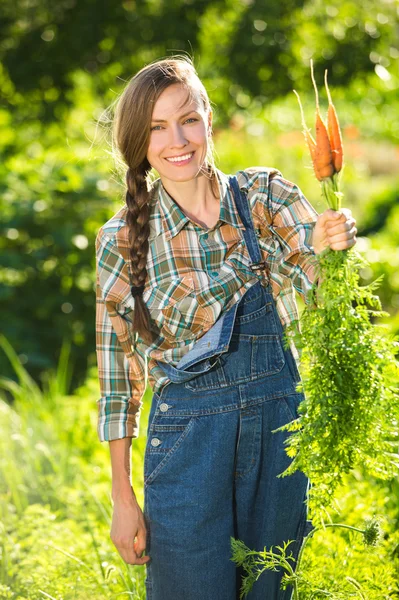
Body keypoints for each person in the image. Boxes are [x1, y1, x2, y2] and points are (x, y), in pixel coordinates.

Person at [95, 55, 357, 600]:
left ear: (209, 118)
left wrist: (332, 246)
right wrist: (123, 499)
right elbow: (119, 382)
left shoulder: (264, 197)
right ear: (140, 141)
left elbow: (323, 293)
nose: (177, 141)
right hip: (188, 449)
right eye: (157, 127)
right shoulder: (121, 239)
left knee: (271, 592)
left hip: (278, 436)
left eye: (187, 119)